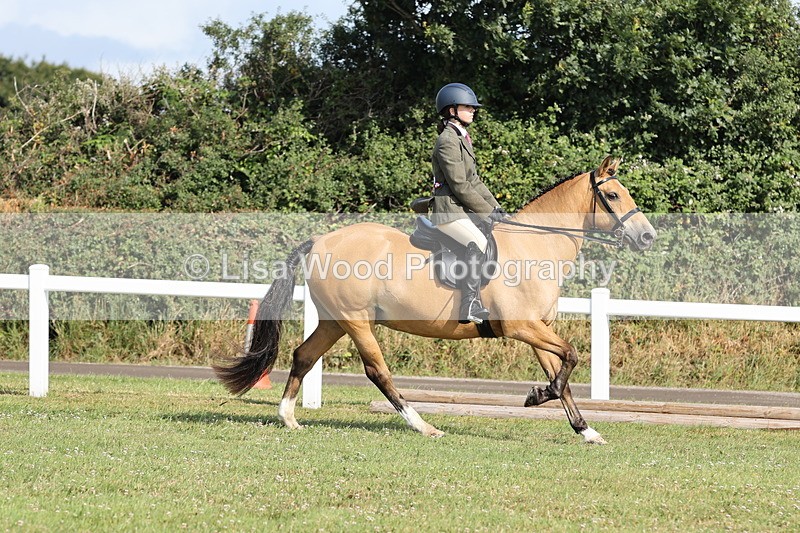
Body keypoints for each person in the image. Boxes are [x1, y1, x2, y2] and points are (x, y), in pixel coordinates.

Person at [430, 82, 509, 325]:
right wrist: (486, 212)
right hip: (448, 212)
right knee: (478, 241)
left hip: (460, 209)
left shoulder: (461, 138)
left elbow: (474, 180)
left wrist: (496, 208)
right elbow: (459, 185)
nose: (474, 110)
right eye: (468, 106)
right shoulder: (447, 141)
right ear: (452, 110)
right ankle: (470, 305)